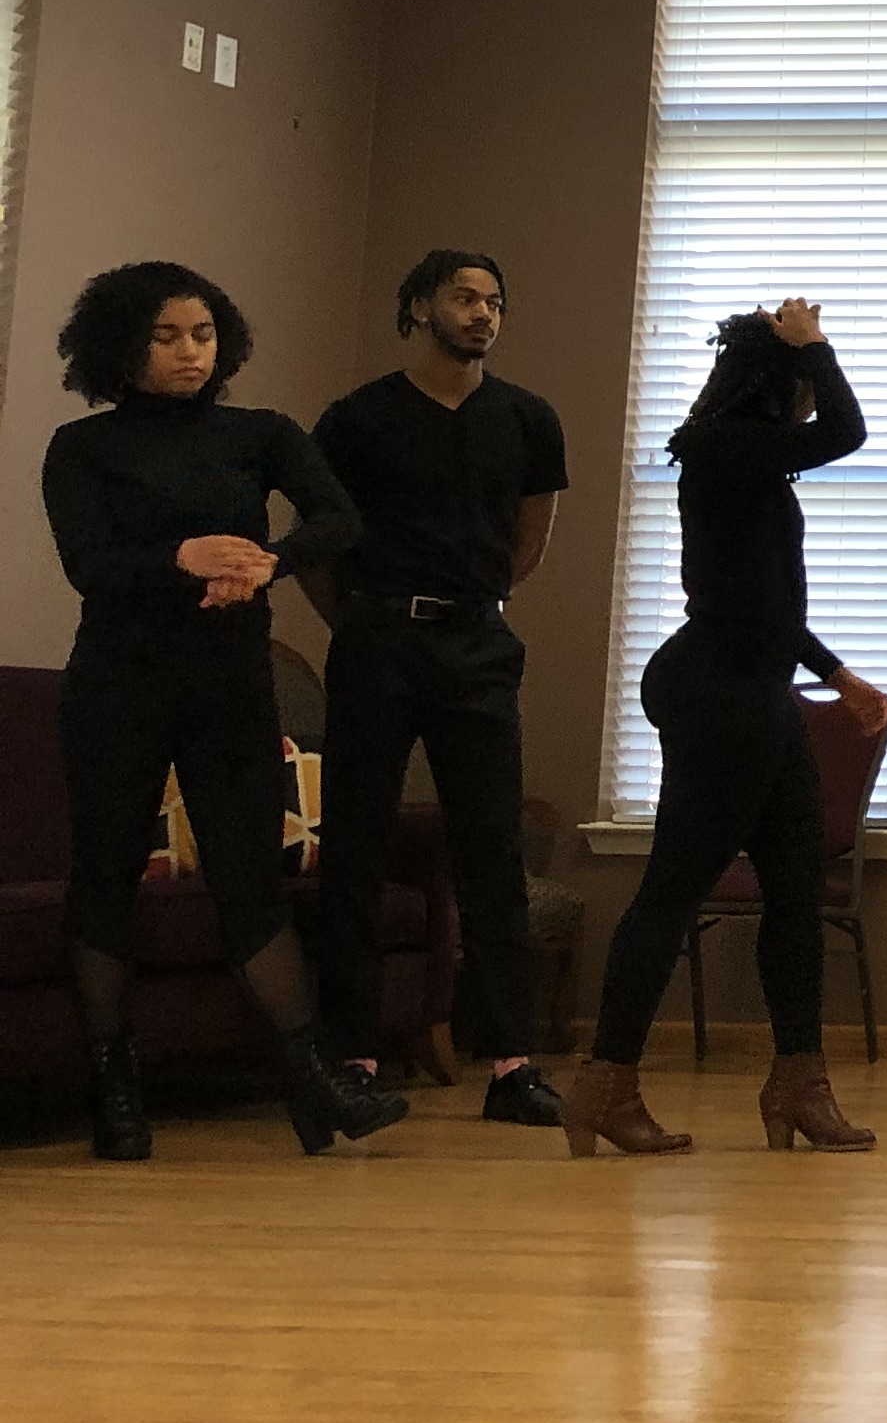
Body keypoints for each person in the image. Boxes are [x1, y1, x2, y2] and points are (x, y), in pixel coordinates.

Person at [39, 261, 398, 1162]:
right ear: (121, 346)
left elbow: (340, 520)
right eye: (167, 336)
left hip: (230, 685)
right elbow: (90, 568)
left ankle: (314, 1083)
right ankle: (115, 1093)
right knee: (106, 877)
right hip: (118, 684)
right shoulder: (81, 449)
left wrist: (267, 562)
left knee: (249, 877)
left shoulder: (262, 433)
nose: (189, 352)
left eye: (202, 334)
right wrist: (183, 556)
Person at [563, 303, 887, 1159]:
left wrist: (830, 674)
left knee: (794, 888)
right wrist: (814, 346)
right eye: (804, 379)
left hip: (753, 687)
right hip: (721, 691)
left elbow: (766, 604)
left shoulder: (749, 460)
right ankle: (605, 1085)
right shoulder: (727, 449)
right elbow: (849, 434)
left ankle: (797, 1085)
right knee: (673, 887)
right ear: (776, 381)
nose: (814, 396)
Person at [302, 250, 570, 1127]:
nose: (482, 313)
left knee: (492, 848)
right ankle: (354, 1056)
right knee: (357, 843)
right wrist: (363, 622)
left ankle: (512, 1067)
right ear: (420, 307)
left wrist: (476, 604)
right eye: (464, 297)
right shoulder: (358, 417)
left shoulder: (529, 418)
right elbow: (318, 542)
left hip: (477, 644)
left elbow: (529, 541)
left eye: (495, 300)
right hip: (378, 637)